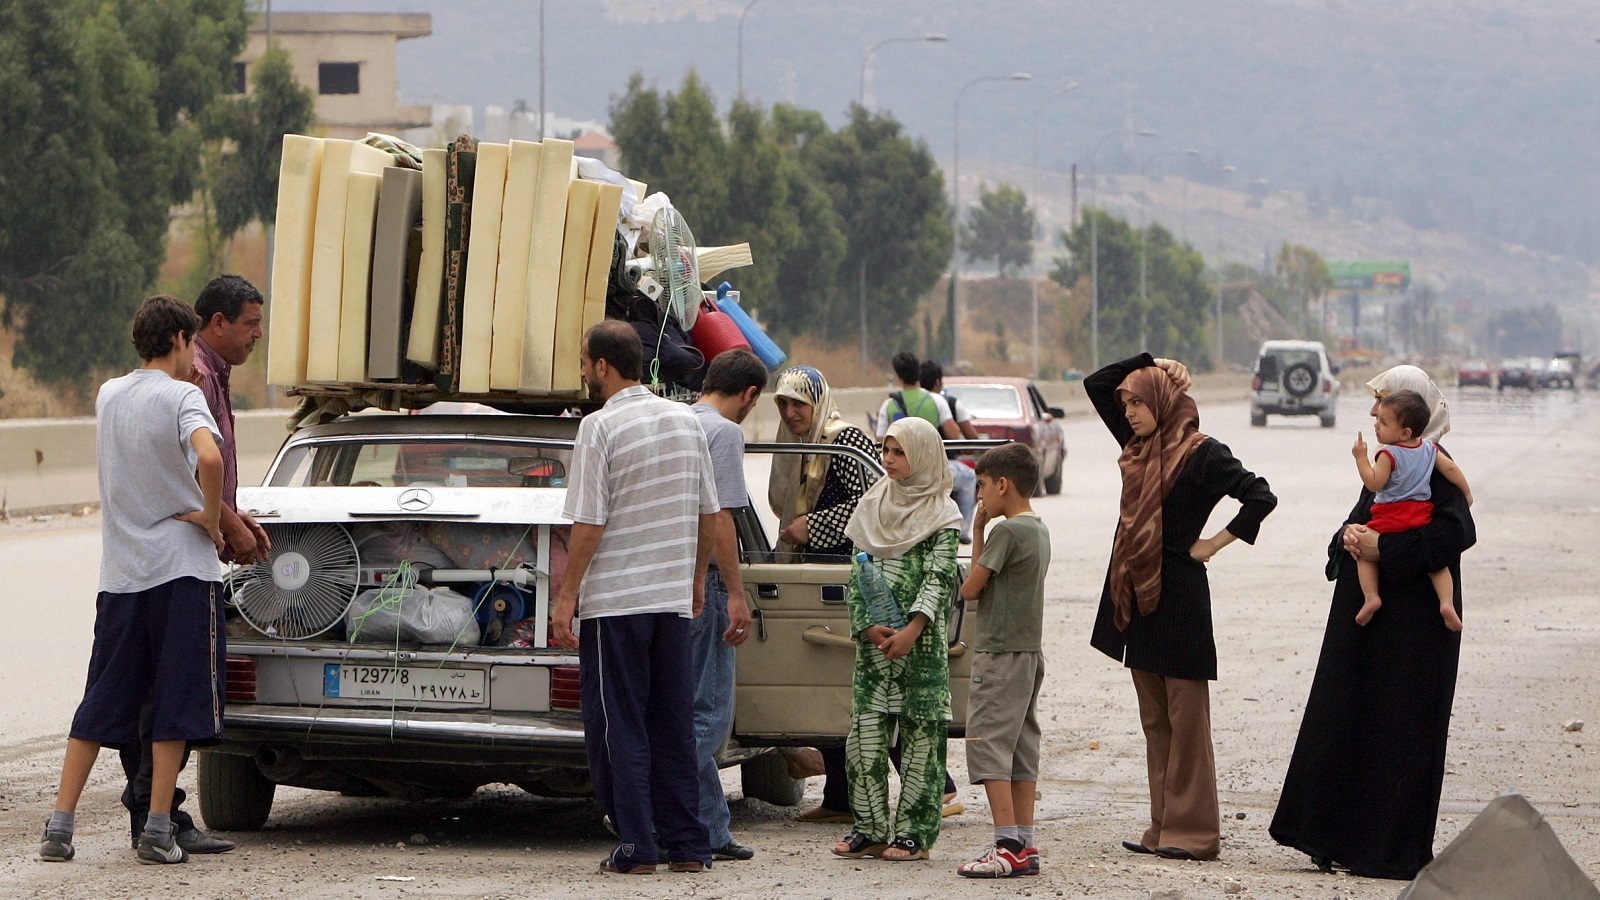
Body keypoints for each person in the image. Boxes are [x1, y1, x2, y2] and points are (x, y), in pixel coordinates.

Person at [40, 295, 227, 866]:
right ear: (177, 338)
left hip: (121, 576)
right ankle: (156, 829)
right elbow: (210, 460)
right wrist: (212, 521)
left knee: (102, 698)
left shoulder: (108, 394)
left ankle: (59, 826)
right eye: (191, 340)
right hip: (180, 571)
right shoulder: (184, 395)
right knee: (173, 701)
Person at [1270, 365, 1475, 881]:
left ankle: (1389, 853)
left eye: (1382, 404)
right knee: (1351, 726)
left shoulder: (1433, 465)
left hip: (1416, 634)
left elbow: (1457, 533)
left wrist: (1386, 547)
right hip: (1373, 627)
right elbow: (1361, 515)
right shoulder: (1390, 464)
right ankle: (1338, 839)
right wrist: (1348, 537)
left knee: (1401, 736)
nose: (1372, 414)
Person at [1085, 353, 1276, 862]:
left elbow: (1260, 496)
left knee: (1186, 723)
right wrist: (1154, 361)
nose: (1127, 410)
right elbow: (1096, 382)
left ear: (1163, 402)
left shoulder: (1202, 453)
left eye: (1137, 401)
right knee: (1155, 722)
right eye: (1125, 403)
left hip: (1182, 599)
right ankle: (1163, 826)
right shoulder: (1138, 446)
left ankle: (1194, 834)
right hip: (1139, 599)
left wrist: (1213, 543)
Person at [551, 320, 719, 876]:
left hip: (615, 604)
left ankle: (638, 846)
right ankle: (689, 846)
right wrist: (696, 579)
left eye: (584, 360)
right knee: (672, 724)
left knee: (618, 726)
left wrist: (566, 594)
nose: (582, 370)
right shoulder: (685, 420)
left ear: (602, 366)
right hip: (670, 602)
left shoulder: (598, 428)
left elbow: (589, 521)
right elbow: (707, 512)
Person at [116, 274, 268, 858]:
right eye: (250, 323)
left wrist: (232, 516)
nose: (258, 334)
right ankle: (153, 815)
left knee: (163, 690)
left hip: (156, 562)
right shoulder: (191, 378)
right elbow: (194, 463)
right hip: (170, 564)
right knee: (167, 693)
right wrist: (221, 520)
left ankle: (159, 813)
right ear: (212, 325)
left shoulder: (210, 376)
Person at [830, 417, 961, 862]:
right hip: (875, 648)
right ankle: (869, 828)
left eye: (900, 452)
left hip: (919, 648)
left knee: (921, 742)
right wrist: (867, 625)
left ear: (922, 455)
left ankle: (914, 835)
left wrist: (912, 630)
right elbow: (858, 571)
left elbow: (940, 578)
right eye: (886, 450)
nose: (889, 460)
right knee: (864, 739)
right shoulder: (872, 505)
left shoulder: (942, 514)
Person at [954, 443, 1051, 878]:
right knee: (1021, 745)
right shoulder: (1038, 528)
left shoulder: (1006, 532)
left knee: (990, 742)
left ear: (1004, 485)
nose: (980, 496)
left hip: (999, 653)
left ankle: (1006, 843)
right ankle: (1025, 843)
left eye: (983, 485)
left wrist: (978, 533)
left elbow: (971, 589)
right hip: (1029, 653)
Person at [688, 348, 766, 863]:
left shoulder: (676, 419)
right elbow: (719, 519)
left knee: (675, 706)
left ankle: (709, 824)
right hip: (707, 582)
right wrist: (736, 594)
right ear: (750, 394)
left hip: (666, 582)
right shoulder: (724, 432)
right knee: (709, 715)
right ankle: (688, 823)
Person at [1350, 389, 1471, 631]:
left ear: (1405, 431)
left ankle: (1371, 596)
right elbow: (1452, 470)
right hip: (1420, 515)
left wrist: (1361, 458)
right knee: (1437, 565)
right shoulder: (1429, 449)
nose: (1375, 421)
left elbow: (1374, 483)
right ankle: (1447, 602)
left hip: (1389, 518)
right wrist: (1466, 493)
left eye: (1383, 420)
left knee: (1363, 552)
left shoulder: (1387, 454)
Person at [768, 365, 879, 560]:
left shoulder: (846, 441)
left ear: (818, 402)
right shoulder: (803, 444)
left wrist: (812, 527)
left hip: (851, 567)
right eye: (783, 404)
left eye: (798, 403)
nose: (788, 413)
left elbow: (874, 504)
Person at [921, 359, 980, 543]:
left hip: (912, 467)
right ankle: (962, 531)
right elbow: (970, 437)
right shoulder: (950, 403)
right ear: (938, 382)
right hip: (943, 467)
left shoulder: (899, 403)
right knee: (970, 477)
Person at [874, 351, 961, 441]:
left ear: (899, 377)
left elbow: (881, 440)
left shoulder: (888, 405)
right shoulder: (937, 400)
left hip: (903, 454)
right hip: (929, 454)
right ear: (919, 372)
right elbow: (953, 434)